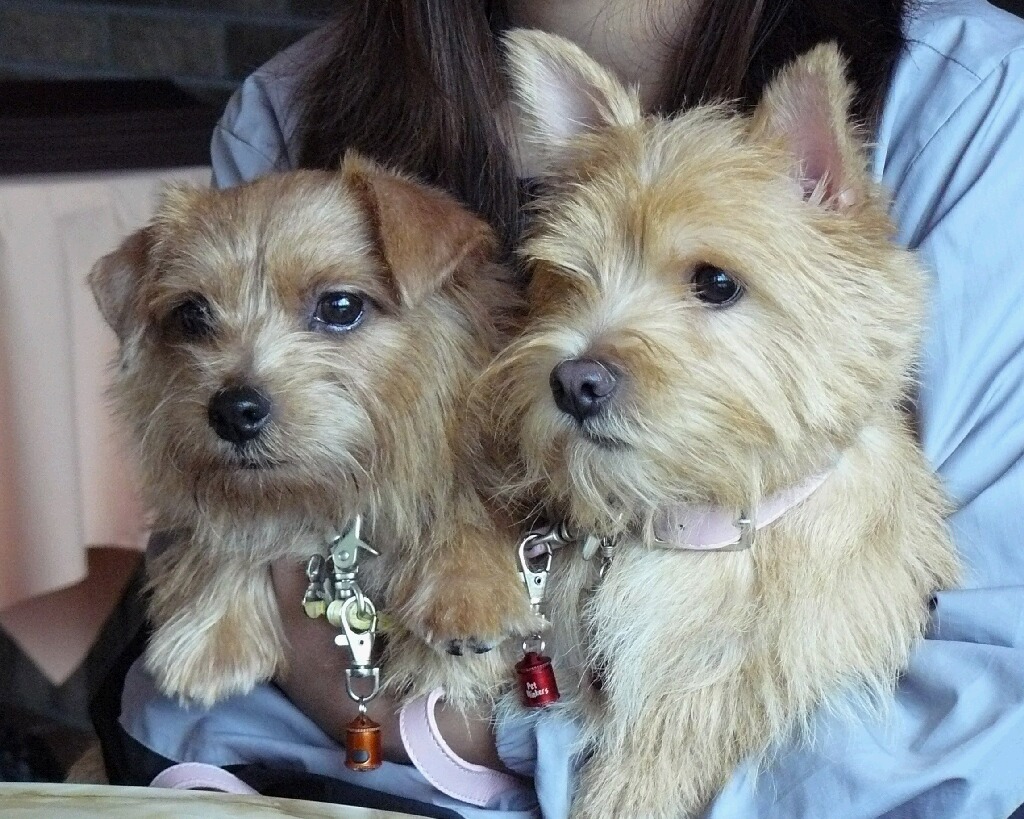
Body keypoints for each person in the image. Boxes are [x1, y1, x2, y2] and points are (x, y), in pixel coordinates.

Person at [96, 1, 1024, 816]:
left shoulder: (969, 98)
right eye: (562, 282)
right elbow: (216, 565)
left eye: (710, 283)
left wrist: (483, 732)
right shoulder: (292, 102)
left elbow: (970, 707)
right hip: (256, 773)